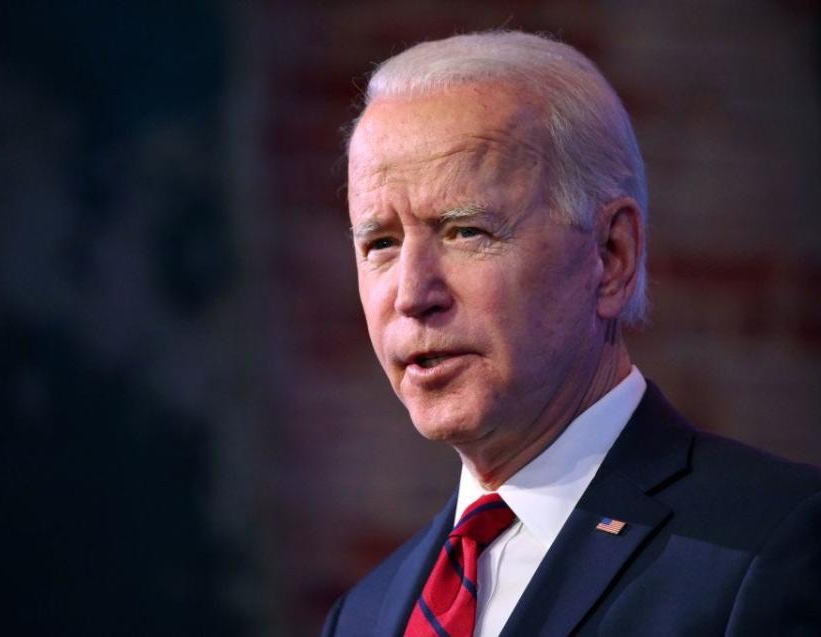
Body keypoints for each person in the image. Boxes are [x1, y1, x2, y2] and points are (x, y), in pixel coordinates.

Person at [322, 30, 821, 637]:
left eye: (466, 232)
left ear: (611, 255)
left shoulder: (774, 543)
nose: (411, 294)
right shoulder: (364, 616)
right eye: (380, 243)